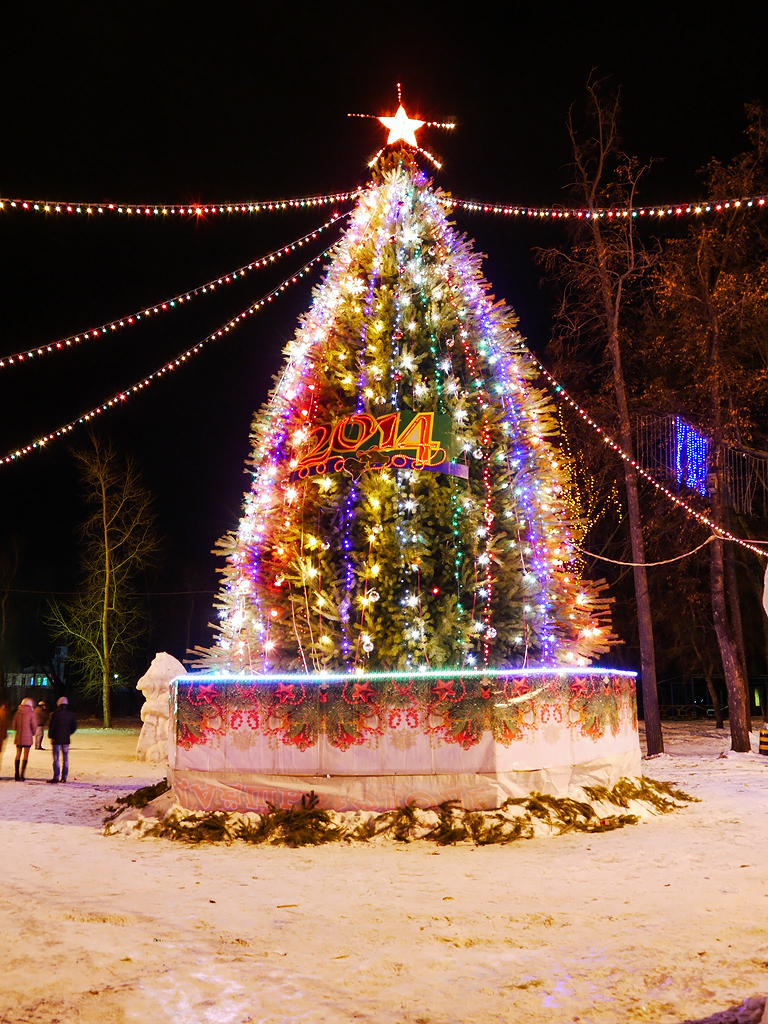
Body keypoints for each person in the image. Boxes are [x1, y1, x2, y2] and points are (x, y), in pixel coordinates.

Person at [47, 696, 77, 784]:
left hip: (56, 739)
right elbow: (74, 726)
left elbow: (52, 726)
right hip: (66, 739)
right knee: (65, 759)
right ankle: (64, 777)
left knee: (56, 758)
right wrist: (68, 733)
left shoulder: (55, 714)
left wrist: (51, 735)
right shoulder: (71, 714)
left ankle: (56, 776)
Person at [12, 697, 37, 781]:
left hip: (19, 737)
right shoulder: (31, 713)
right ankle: (22, 774)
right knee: (25, 755)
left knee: (18, 754)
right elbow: (34, 726)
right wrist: (32, 733)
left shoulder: (17, 712)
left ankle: (16, 774)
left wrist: (18, 730)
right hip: (27, 737)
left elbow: (13, 725)